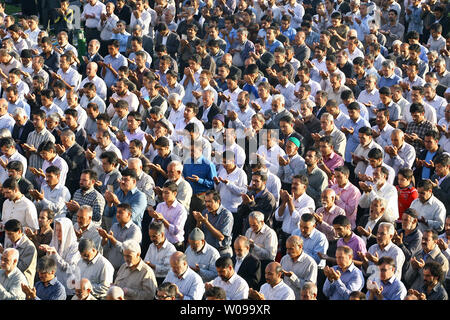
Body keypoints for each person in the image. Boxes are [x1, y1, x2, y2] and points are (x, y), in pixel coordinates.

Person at [38, 217, 80, 297]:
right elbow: (49, 264)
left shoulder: (75, 247)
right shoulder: (54, 243)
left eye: (60, 230)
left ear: (66, 231)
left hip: (68, 288)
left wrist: (55, 254)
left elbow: (69, 268)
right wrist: (47, 252)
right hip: (53, 286)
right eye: (56, 230)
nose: (58, 233)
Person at [98, 203, 142, 271]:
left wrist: (112, 239)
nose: (117, 215)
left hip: (125, 270)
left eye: (120, 212)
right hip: (110, 268)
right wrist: (105, 238)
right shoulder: (114, 226)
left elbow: (128, 250)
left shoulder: (134, 230)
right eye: (117, 212)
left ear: (129, 214)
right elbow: (107, 247)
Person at [192, 190, 234, 257]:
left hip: (222, 252)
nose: (207, 204)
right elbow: (199, 232)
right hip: (208, 250)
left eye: (209, 202)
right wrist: (198, 221)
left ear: (218, 201)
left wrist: (206, 222)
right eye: (205, 201)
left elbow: (221, 237)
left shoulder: (226, 215)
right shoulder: (205, 212)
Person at [148, 181, 187, 251]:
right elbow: (153, 225)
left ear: (174, 193)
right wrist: (155, 219)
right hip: (161, 244)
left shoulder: (181, 209)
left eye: (167, 193)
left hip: (175, 245)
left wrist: (163, 219)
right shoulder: (160, 206)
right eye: (163, 192)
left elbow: (175, 231)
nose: (164, 195)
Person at [280, 235, 318, 300]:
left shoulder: (310, 263)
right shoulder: (284, 259)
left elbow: (309, 288)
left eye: (291, 249)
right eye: (287, 248)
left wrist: (293, 277)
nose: (288, 252)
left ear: (300, 246)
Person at [2, 219, 37, 287]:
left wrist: (3, 253)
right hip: (9, 281)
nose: (8, 237)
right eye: (7, 234)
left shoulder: (29, 247)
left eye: (10, 234)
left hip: (23, 285)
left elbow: (20, 268)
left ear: (19, 231)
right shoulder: (9, 243)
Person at [394, 208, 423, 276]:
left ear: (414, 221)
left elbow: (409, 256)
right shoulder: (400, 232)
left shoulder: (418, 237)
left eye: (406, 220)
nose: (402, 222)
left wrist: (400, 244)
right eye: (402, 219)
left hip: (406, 273)